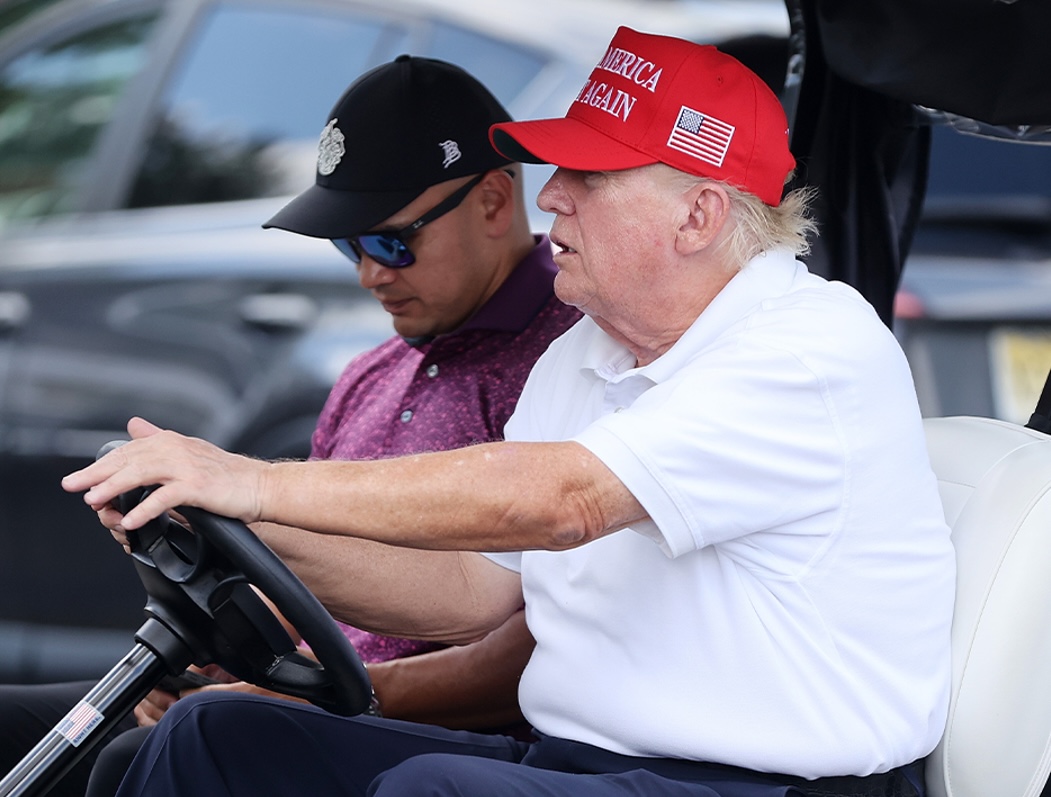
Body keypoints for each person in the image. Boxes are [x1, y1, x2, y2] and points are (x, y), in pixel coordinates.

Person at [64, 26, 956, 797]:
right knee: (208, 739)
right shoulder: (588, 349)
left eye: (590, 173)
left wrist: (255, 483)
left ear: (698, 215)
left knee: (433, 788)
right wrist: (221, 518)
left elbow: (563, 500)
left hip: (776, 783)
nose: (551, 192)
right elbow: (473, 589)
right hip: (590, 762)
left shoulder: (805, 345)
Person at [0, 56, 580, 797]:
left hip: (436, 737)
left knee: (156, 752)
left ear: (495, 201)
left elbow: (536, 643)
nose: (369, 275)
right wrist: (212, 651)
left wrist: (322, 694)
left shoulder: (566, 363)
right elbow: (300, 583)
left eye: (390, 242)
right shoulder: (370, 372)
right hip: (309, 696)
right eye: (349, 246)